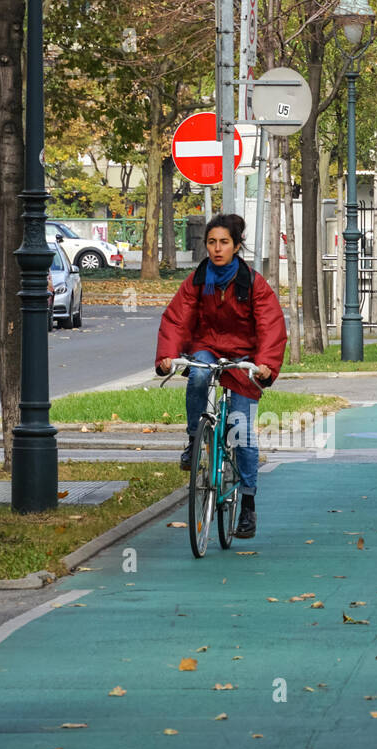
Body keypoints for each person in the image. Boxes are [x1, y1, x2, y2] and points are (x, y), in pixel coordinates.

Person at [155, 213, 287, 540]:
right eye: (212, 242)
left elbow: (271, 325)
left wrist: (266, 364)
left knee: (241, 430)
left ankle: (248, 505)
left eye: (224, 243)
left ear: (237, 246)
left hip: (244, 357)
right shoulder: (198, 280)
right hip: (207, 348)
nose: (217, 249)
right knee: (198, 377)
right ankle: (193, 440)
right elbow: (176, 319)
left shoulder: (253, 283)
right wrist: (166, 358)